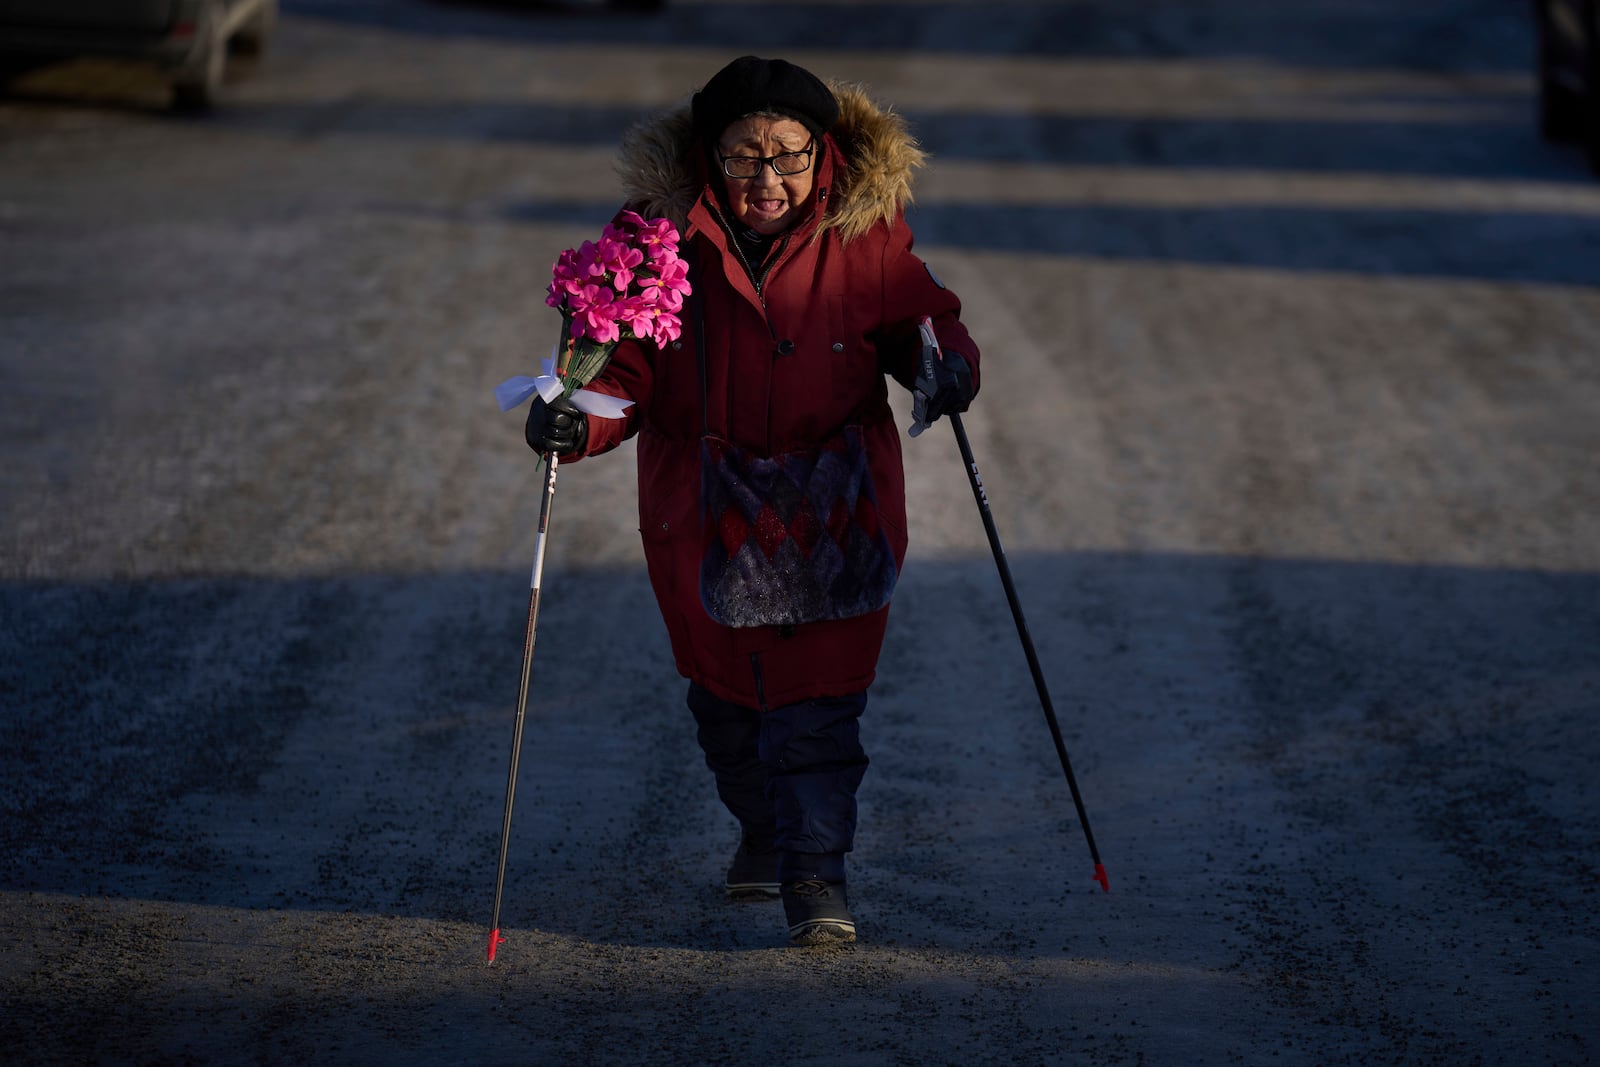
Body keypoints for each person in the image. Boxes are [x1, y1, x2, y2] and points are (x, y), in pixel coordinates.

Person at [525, 55, 980, 946]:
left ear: (824, 156)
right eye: (742, 156)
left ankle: (818, 873)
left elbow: (921, 320)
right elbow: (619, 370)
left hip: (833, 506)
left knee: (816, 705)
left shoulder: (866, 233)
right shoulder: (651, 238)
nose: (765, 178)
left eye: (787, 156)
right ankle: (764, 831)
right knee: (727, 704)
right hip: (704, 511)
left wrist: (944, 364)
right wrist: (577, 421)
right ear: (709, 154)